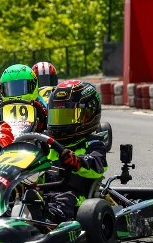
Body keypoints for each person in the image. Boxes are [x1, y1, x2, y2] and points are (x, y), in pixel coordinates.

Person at [41, 80, 107, 222]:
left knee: (64, 200)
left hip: (77, 196)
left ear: (89, 114)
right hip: (44, 193)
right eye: (57, 116)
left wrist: (77, 162)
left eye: (67, 116)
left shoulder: (93, 144)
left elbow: (97, 165)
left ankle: (50, 221)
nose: (60, 122)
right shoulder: (45, 144)